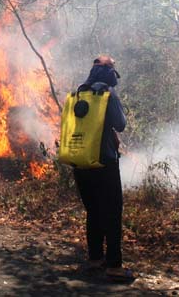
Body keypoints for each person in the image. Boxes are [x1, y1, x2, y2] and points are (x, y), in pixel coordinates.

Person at [73, 55, 134, 282]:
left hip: (80, 161)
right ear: (110, 74)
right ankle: (114, 266)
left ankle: (95, 259)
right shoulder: (108, 95)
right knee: (112, 211)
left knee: (94, 211)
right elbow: (121, 124)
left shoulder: (79, 93)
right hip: (104, 163)